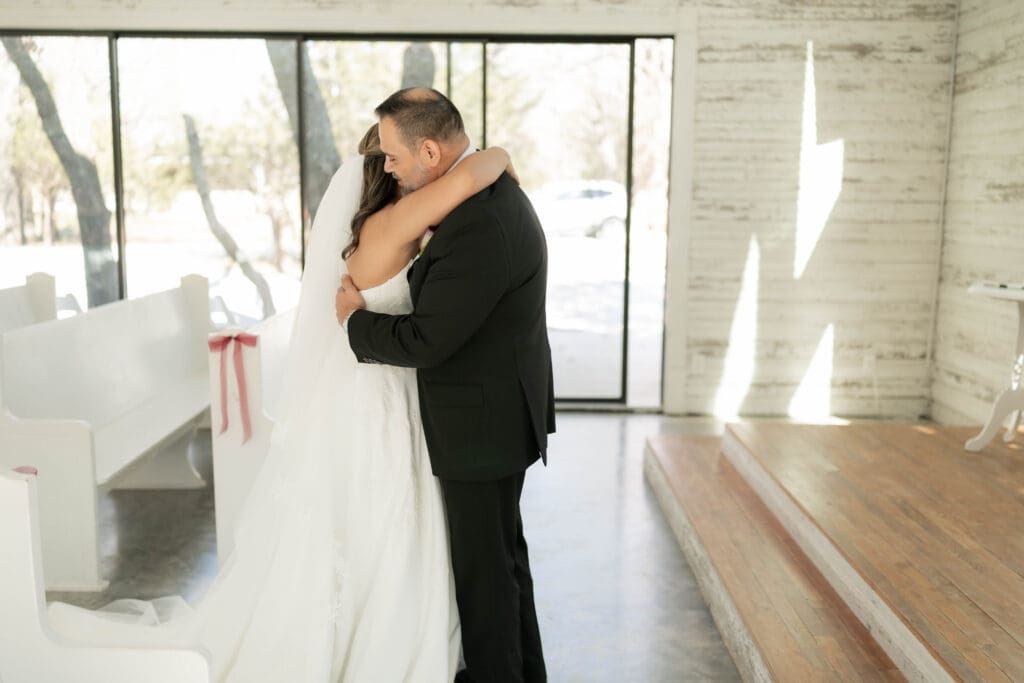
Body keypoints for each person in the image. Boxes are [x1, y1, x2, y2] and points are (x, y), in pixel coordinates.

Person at [43, 114, 520, 681]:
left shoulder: (379, 228)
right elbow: (469, 178)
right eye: (392, 161)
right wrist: (500, 153)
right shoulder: (397, 224)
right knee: (389, 510)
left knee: (370, 514)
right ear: (384, 177)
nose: (402, 168)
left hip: (372, 384)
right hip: (383, 388)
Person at [336, 87, 555, 683]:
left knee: (486, 581)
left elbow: (428, 340)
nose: (390, 166)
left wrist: (355, 322)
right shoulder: (482, 196)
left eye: (395, 155)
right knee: (504, 566)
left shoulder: (479, 221)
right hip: (497, 416)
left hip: (481, 428)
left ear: (430, 151)